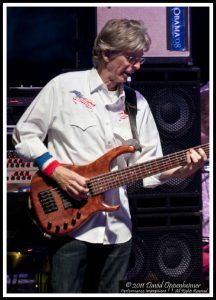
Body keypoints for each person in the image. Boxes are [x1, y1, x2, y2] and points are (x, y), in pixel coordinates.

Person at [12, 19, 207, 293]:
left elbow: (148, 166)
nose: (137, 66)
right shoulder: (64, 87)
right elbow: (24, 135)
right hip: (70, 224)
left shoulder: (137, 103)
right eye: (131, 57)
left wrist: (181, 171)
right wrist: (55, 169)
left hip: (118, 229)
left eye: (140, 59)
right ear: (106, 53)